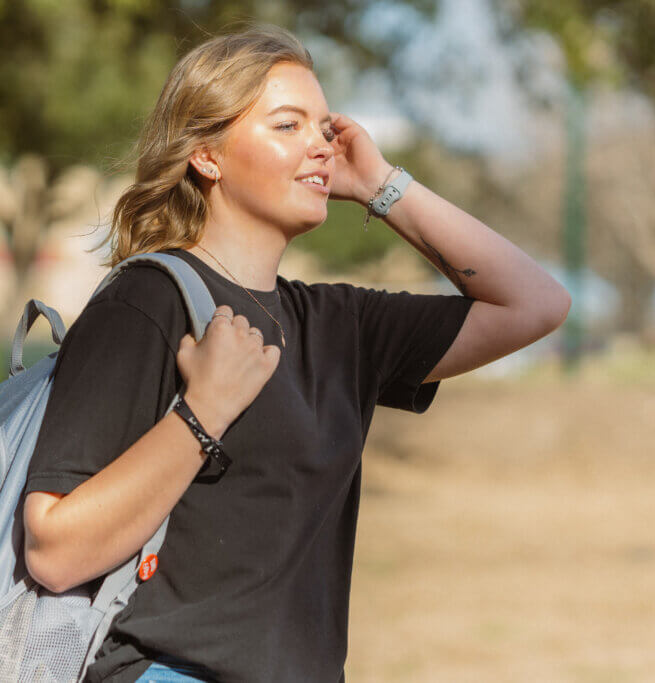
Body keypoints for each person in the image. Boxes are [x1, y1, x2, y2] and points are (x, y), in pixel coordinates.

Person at [21, 24, 569, 683]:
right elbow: (53, 547)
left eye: (322, 125)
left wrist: (382, 188)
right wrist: (202, 415)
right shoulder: (145, 303)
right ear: (207, 155)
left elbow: (534, 304)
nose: (320, 145)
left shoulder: (341, 324)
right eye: (287, 126)